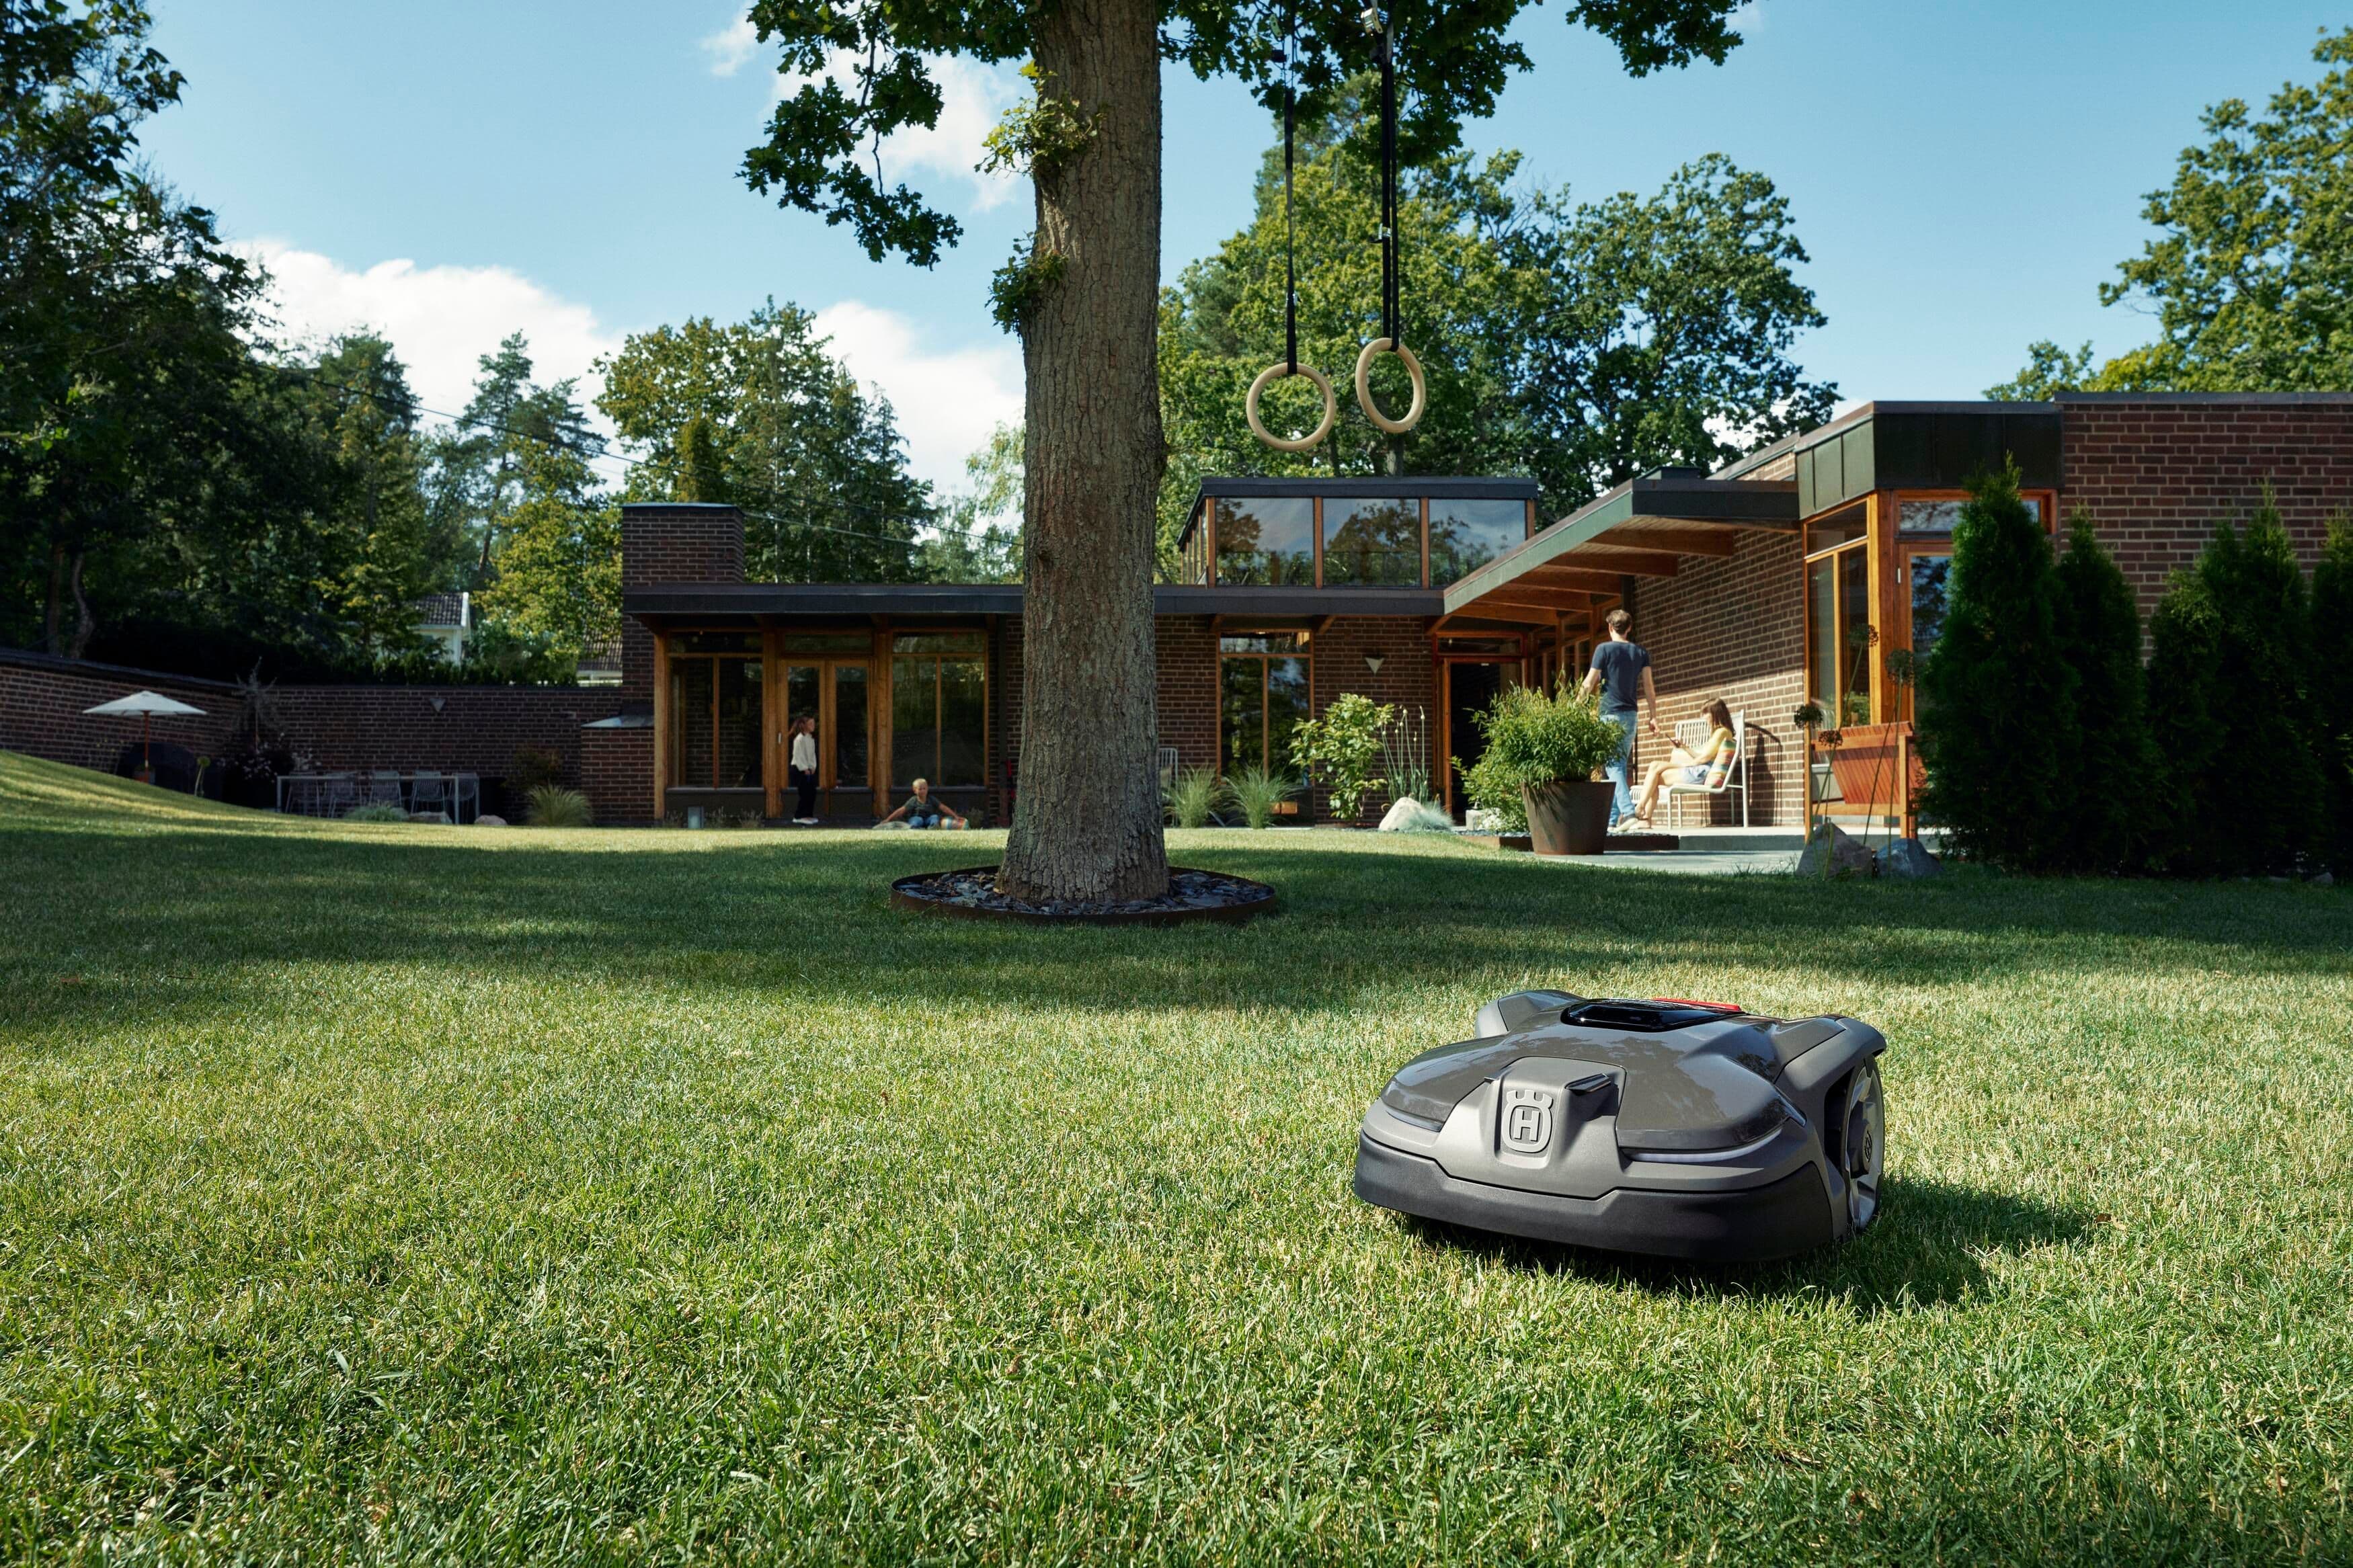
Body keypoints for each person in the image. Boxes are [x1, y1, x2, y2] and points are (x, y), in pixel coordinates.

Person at [1578, 608, 1658, 831]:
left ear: (1610, 628)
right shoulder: (1641, 653)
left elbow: (1589, 682)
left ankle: (1629, 813)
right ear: (1629, 628)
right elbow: (1649, 688)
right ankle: (1612, 822)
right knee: (1618, 766)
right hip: (1631, 716)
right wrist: (1654, 716)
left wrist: (1575, 707)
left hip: (1610, 715)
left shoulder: (1603, 649)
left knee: (1613, 765)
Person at [1620, 697, 1735, 829]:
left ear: (1715, 713)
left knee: (1655, 768)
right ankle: (1643, 814)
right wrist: (1684, 747)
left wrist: (1683, 765)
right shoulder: (1718, 733)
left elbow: (1704, 759)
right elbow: (1702, 756)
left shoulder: (1722, 732)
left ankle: (1641, 810)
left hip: (1702, 772)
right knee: (1654, 770)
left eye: (1705, 713)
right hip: (1700, 769)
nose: (1703, 717)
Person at [881, 777, 966, 829]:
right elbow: (901, 810)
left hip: (928, 820)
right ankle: (914, 828)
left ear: (927, 789)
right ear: (915, 790)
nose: (922, 791)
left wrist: (955, 816)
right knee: (918, 820)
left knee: (935, 817)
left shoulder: (931, 799)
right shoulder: (913, 800)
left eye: (924, 788)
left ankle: (933, 828)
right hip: (916, 819)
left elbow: (943, 808)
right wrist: (888, 819)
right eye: (920, 789)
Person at [788, 716, 820, 823]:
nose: (813, 726)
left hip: (809, 770)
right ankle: (798, 816)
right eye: (811, 724)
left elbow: (812, 755)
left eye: (814, 724)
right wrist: (804, 768)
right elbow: (798, 755)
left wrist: (813, 767)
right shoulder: (799, 739)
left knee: (812, 792)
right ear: (804, 725)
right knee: (805, 793)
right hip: (799, 769)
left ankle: (808, 815)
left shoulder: (811, 739)